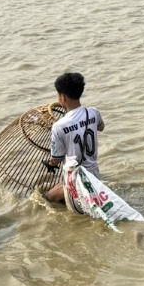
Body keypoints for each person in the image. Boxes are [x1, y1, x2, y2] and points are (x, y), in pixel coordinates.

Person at [43, 72, 105, 202]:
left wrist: (50, 163)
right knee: (58, 185)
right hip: (94, 174)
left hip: (76, 180)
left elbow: (57, 159)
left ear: (62, 97)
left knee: (46, 197)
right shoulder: (93, 113)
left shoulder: (59, 126)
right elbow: (101, 127)